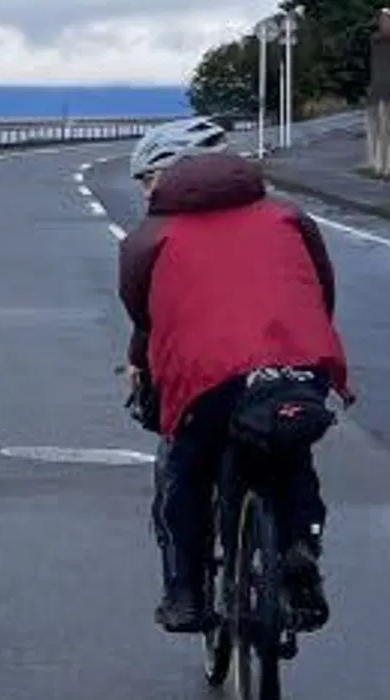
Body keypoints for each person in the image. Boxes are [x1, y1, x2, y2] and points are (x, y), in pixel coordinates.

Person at [117, 119, 349, 633]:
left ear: (169, 174)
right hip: (298, 361)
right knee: (290, 453)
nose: (145, 192)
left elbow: (146, 320)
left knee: (185, 468)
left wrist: (141, 367)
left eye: (146, 180)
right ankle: (299, 549)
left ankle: (185, 594)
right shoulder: (287, 216)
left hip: (208, 377)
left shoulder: (150, 237)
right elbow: (319, 289)